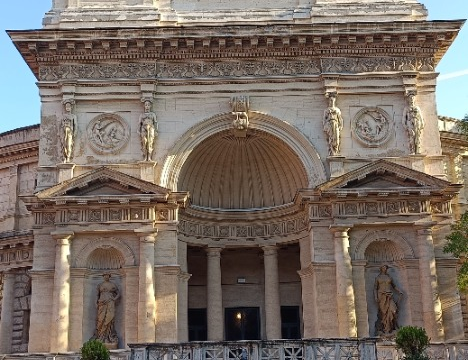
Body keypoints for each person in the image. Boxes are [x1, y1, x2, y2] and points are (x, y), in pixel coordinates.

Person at [374, 265, 403, 335]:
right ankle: (385, 329)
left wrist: (399, 291)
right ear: (381, 269)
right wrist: (376, 297)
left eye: (386, 268)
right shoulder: (378, 278)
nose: (385, 269)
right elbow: (375, 288)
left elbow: (394, 286)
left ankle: (391, 328)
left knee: (393, 310)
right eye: (383, 267)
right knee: (383, 313)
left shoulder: (389, 277)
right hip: (381, 296)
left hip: (389, 295)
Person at [94, 273, 120, 344]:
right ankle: (100, 337)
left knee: (109, 318)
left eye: (107, 275)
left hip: (110, 302)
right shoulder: (100, 285)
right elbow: (97, 295)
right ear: (103, 276)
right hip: (101, 303)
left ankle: (107, 337)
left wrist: (114, 299)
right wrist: (95, 303)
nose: (106, 277)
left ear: (109, 276)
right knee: (101, 319)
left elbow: (118, 293)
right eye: (105, 275)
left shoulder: (113, 285)